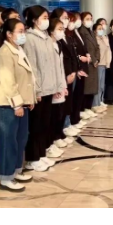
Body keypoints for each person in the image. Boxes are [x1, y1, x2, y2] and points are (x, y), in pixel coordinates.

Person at [0, 19, 36, 192]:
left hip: (20, 103)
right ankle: (5, 177)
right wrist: (17, 104)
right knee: (7, 141)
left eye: (24, 30)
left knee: (20, 138)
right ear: (9, 34)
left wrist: (29, 99)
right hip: (7, 105)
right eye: (20, 31)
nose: (23, 34)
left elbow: (27, 78)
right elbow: (8, 82)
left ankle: (16, 170)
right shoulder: (4, 53)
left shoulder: (18, 49)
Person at [23, 5, 62, 171]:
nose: (47, 20)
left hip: (49, 88)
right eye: (44, 18)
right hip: (38, 90)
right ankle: (32, 158)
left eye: (47, 17)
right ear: (34, 20)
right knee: (35, 126)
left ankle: (41, 154)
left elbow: (53, 64)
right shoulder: (29, 39)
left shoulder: (46, 37)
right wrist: (36, 90)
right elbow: (32, 67)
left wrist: (57, 85)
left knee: (45, 124)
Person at [51, 8, 78, 141]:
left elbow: (72, 56)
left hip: (69, 74)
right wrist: (67, 74)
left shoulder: (66, 37)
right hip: (61, 77)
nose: (67, 21)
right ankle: (58, 133)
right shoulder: (54, 40)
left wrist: (74, 71)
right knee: (58, 108)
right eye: (64, 17)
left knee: (66, 103)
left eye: (68, 18)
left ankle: (64, 127)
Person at [48, 18, 72, 149]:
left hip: (60, 84)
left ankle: (57, 135)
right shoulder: (48, 45)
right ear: (51, 30)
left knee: (60, 113)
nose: (62, 31)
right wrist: (56, 86)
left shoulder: (58, 44)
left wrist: (63, 85)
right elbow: (50, 69)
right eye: (59, 29)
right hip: (52, 86)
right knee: (53, 115)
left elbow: (60, 67)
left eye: (63, 29)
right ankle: (52, 140)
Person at [67, 12, 89, 132]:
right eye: (74, 19)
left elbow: (81, 48)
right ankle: (71, 121)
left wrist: (87, 55)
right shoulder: (68, 35)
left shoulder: (77, 32)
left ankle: (76, 118)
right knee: (73, 97)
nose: (77, 21)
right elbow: (73, 54)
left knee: (79, 94)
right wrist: (80, 59)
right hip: (73, 70)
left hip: (80, 67)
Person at [78, 11, 100, 120]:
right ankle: (83, 109)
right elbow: (86, 49)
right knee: (87, 87)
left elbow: (97, 47)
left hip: (94, 63)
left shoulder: (91, 32)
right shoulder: (81, 32)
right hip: (88, 63)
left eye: (91, 19)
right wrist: (93, 60)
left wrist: (97, 59)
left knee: (92, 87)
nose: (90, 21)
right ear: (82, 20)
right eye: (87, 19)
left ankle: (88, 107)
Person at [93, 22, 111, 113]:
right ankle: (95, 104)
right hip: (98, 65)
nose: (101, 30)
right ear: (94, 31)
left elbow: (108, 50)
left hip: (103, 64)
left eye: (102, 29)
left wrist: (107, 63)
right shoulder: (94, 40)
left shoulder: (104, 38)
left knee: (101, 86)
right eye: (99, 29)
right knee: (97, 86)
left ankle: (100, 101)